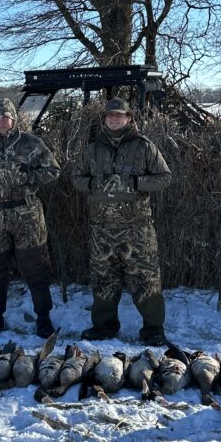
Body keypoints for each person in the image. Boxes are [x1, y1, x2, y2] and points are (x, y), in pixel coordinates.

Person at [72, 97, 171, 345]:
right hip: (102, 230)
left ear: (129, 118)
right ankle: (105, 327)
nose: (114, 119)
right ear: (105, 120)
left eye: (119, 115)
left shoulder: (144, 146)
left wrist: (138, 183)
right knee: (104, 279)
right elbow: (76, 178)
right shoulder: (92, 149)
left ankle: (153, 329)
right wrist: (92, 184)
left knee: (145, 279)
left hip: (136, 230)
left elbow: (165, 177)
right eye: (110, 116)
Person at [0, 98, 61, 338]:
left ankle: (43, 317)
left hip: (26, 214)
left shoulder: (31, 143)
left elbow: (53, 170)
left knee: (35, 268)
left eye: (6, 117)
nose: (2, 122)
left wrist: (28, 176)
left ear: (14, 118)